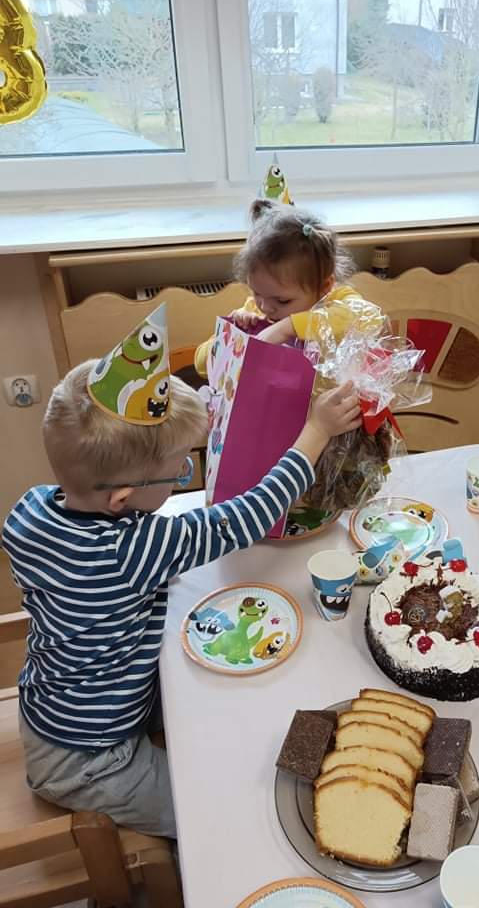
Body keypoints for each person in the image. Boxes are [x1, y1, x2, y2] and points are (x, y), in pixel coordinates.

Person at [2, 307, 360, 839]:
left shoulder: (31, 509)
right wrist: (316, 430)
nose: (183, 476)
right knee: (214, 814)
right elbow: (252, 514)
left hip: (58, 702)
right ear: (123, 498)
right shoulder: (131, 549)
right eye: (178, 470)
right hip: (89, 758)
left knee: (213, 710)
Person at [194, 199, 381, 377]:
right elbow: (201, 365)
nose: (265, 307)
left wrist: (287, 327)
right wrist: (233, 334)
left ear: (323, 286)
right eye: (256, 293)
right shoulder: (253, 311)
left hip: (333, 399)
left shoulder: (337, 301)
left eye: (282, 301)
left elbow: (370, 317)